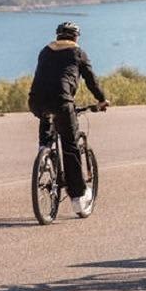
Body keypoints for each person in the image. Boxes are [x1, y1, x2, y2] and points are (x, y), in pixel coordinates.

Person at [28, 22, 109, 215]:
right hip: (62, 102)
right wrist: (102, 99)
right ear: (75, 37)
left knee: (47, 115)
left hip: (36, 101)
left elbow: (44, 79)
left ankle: (45, 153)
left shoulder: (45, 51)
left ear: (58, 36)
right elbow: (91, 80)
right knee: (70, 146)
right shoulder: (78, 53)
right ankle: (78, 197)